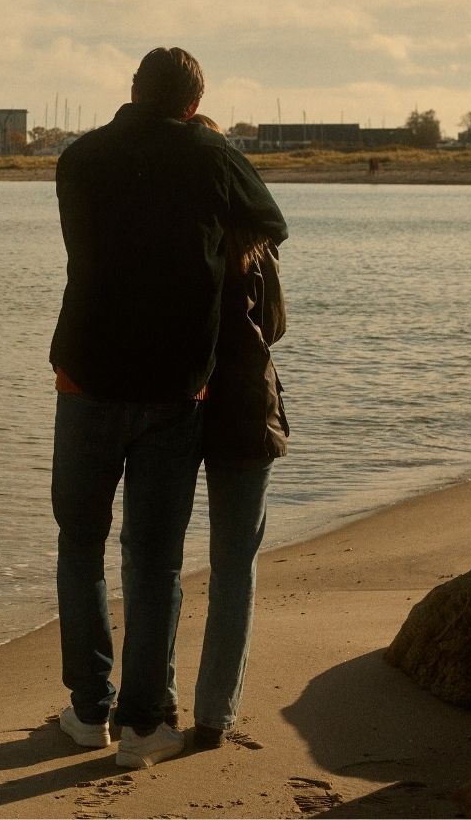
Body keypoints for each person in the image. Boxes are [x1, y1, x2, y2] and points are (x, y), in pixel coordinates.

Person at [49, 48, 287, 769]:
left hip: (84, 375)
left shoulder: (79, 157)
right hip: (175, 387)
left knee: (80, 545)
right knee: (153, 561)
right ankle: (144, 726)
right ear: (193, 104)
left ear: (133, 90)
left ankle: (90, 709)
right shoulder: (209, 154)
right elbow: (269, 222)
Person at [185, 113, 290, 749]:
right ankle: (214, 715)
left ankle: (150, 701)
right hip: (246, 402)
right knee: (233, 564)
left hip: (179, 399)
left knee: (156, 556)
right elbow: (274, 327)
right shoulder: (254, 241)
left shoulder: (174, 236)